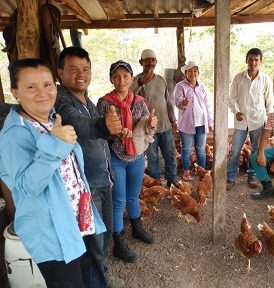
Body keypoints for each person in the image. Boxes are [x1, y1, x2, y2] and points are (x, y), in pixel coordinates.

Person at [0, 58, 106, 287]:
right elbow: (27, 187)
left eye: (47, 85)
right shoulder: (14, 135)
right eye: (31, 86)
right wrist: (54, 145)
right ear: (15, 92)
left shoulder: (51, 119)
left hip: (75, 220)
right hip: (52, 233)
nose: (42, 92)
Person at [55, 47, 125, 287]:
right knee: (91, 243)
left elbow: (99, 135)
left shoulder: (88, 100)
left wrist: (115, 133)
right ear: (60, 73)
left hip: (104, 180)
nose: (81, 74)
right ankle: (95, 282)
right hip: (87, 187)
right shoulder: (62, 100)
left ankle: (101, 274)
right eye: (73, 69)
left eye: (85, 69)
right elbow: (79, 125)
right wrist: (105, 126)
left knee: (104, 237)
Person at [97, 60, 158, 261]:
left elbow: (148, 127)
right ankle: (119, 241)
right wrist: (114, 134)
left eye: (125, 76)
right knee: (118, 200)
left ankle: (136, 228)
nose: (121, 80)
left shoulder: (139, 101)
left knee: (133, 196)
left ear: (131, 79)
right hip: (116, 157)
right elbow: (99, 132)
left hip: (137, 156)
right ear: (111, 80)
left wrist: (152, 123)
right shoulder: (105, 103)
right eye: (117, 77)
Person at [227, 48, 274, 190]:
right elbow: (231, 98)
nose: (253, 63)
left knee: (255, 149)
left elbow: (269, 102)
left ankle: (252, 176)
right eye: (250, 59)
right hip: (241, 121)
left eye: (256, 60)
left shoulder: (265, 79)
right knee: (235, 150)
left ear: (260, 61)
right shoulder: (238, 78)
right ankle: (230, 177)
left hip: (258, 120)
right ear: (246, 60)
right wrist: (236, 111)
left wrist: (270, 122)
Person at [130, 49, 178, 188]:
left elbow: (168, 101)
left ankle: (172, 180)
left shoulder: (161, 79)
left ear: (156, 62)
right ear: (141, 62)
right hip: (148, 129)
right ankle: (156, 183)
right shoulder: (137, 80)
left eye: (153, 60)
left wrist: (173, 120)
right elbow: (129, 96)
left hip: (165, 126)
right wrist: (139, 82)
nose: (151, 62)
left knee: (170, 155)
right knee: (152, 158)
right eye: (147, 60)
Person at [174, 61, 214, 180]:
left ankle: (200, 171)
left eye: (195, 71)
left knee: (201, 149)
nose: (193, 73)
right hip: (186, 124)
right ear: (186, 73)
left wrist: (210, 121)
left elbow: (207, 105)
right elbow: (177, 102)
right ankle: (186, 171)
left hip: (201, 123)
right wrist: (183, 103)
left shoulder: (202, 87)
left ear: (198, 73)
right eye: (190, 71)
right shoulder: (180, 86)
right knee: (186, 149)